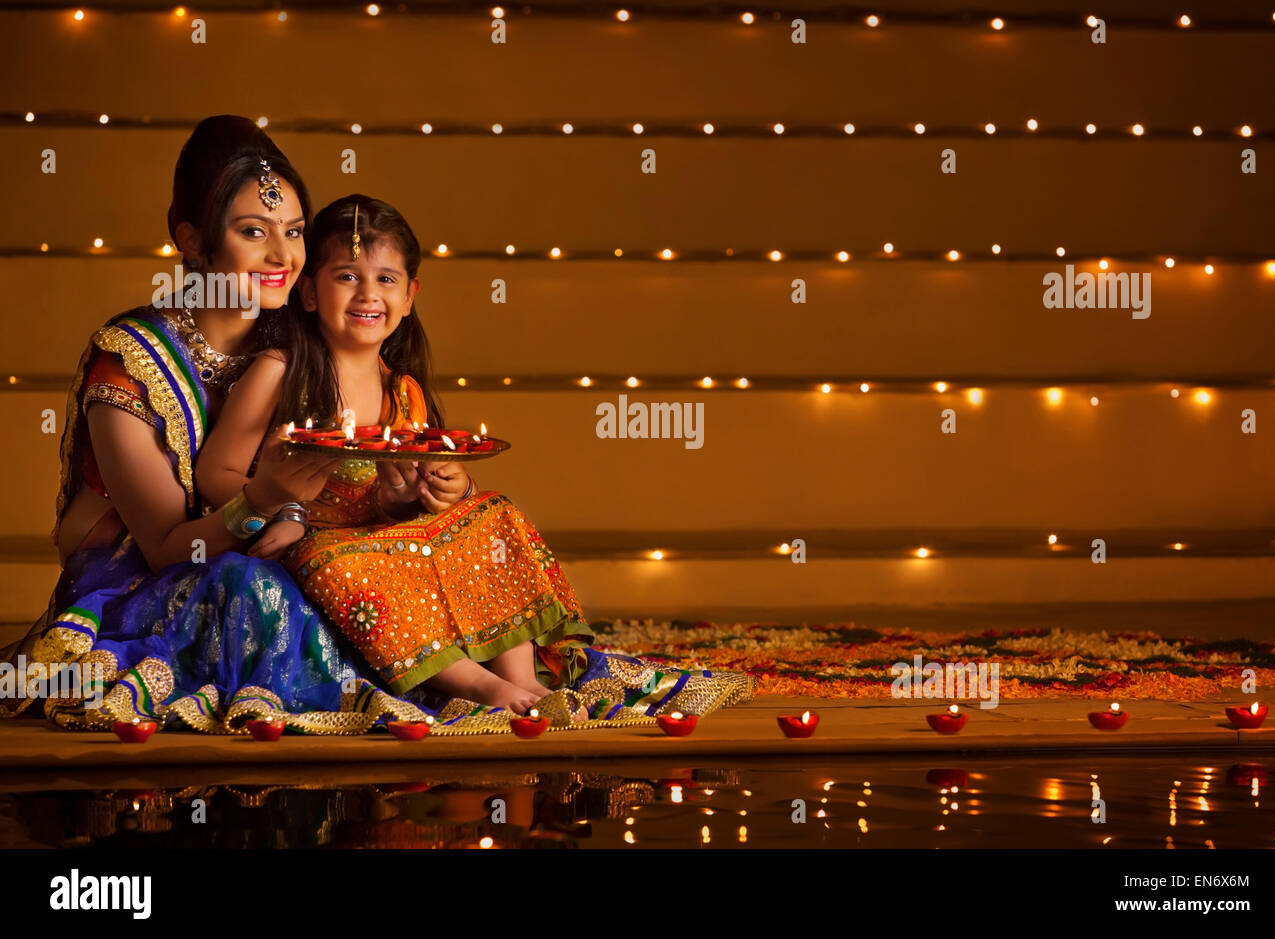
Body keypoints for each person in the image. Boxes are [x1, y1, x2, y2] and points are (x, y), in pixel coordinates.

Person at [194, 194, 755, 724]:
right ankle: (482, 689)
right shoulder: (279, 371)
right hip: (316, 545)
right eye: (347, 277)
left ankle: (523, 678)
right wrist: (283, 513)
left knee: (493, 513)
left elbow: (393, 498)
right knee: (349, 563)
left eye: (385, 280)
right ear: (310, 292)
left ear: (409, 297)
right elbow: (214, 473)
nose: (368, 295)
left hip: (390, 539)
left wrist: (434, 490)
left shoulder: (403, 390)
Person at [0, 117, 433, 733]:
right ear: (193, 240)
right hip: (146, 587)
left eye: (294, 232)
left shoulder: (298, 339)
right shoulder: (129, 363)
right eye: (253, 232)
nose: (282, 256)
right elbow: (167, 548)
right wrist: (266, 502)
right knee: (251, 586)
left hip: (289, 556)